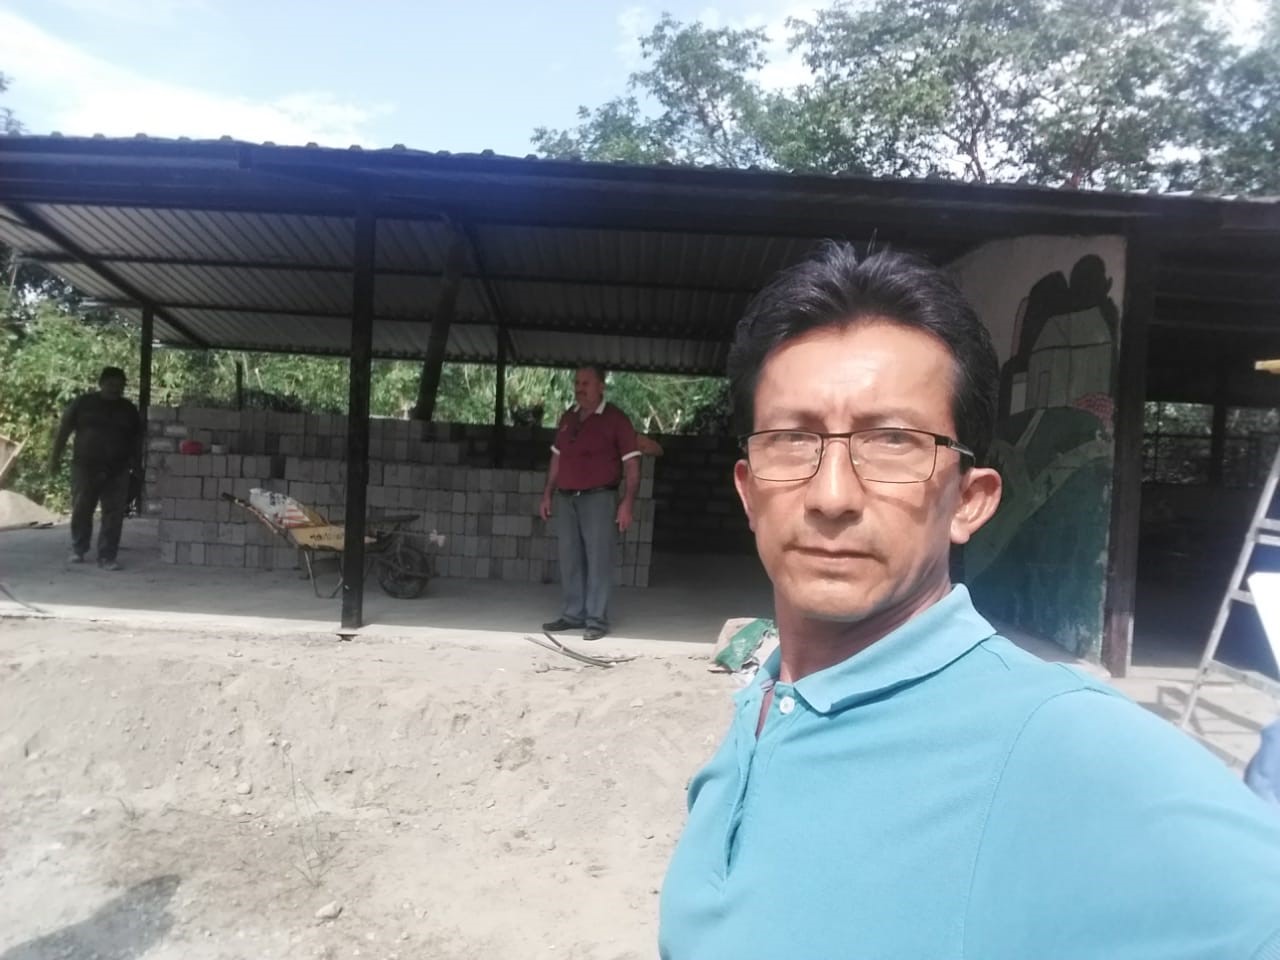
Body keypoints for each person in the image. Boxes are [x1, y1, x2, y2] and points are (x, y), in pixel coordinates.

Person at [659, 243, 1280, 958]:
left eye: (893, 441)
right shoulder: (767, 699)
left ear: (970, 500)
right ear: (748, 490)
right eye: (793, 439)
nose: (831, 495)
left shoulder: (1059, 743)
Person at [539, 366, 641, 641]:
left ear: (601, 387)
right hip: (566, 498)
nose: (579, 388)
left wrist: (627, 503)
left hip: (600, 498)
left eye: (586, 383)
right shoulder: (568, 417)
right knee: (570, 558)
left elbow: (632, 465)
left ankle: (596, 620)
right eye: (577, 383)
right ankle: (573, 614)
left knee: (598, 559)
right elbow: (557, 459)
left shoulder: (616, 419)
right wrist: (547, 492)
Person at [49, 365, 141, 571]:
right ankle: (79, 548)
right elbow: (64, 431)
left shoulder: (128, 409)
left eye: (119, 385)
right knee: (82, 509)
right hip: (85, 466)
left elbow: (137, 440)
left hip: (117, 468)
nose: (115, 389)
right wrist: (54, 458)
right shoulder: (83, 403)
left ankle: (107, 556)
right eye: (111, 384)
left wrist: (138, 466)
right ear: (101, 384)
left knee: (113, 514)